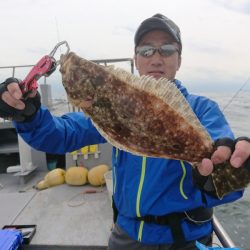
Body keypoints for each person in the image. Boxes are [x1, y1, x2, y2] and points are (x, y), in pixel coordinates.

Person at [0, 13, 250, 250]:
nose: (156, 57)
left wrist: (220, 175)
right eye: (146, 50)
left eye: (167, 49)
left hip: (186, 237)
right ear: (135, 59)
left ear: (179, 59)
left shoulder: (203, 109)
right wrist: (29, 115)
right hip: (128, 235)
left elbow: (225, 167)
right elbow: (60, 134)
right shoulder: (109, 106)